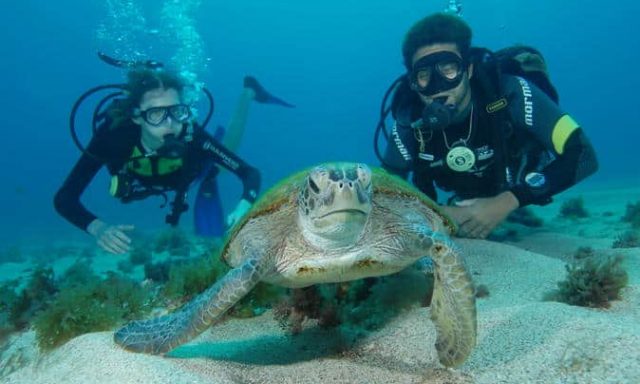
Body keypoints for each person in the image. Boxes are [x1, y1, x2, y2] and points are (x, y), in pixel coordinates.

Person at [379, 13, 598, 239]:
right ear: (413, 83)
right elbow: (387, 191)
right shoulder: (409, 121)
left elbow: (583, 155)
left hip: (516, 181)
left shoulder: (511, 93)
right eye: (424, 75)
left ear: (469, 70)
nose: (438, 87)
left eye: (449, 69)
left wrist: (505, 203)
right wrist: (436, 214)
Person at [55, 65, 291, 254]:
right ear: (137, 117)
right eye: (156, 114)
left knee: (223, 159)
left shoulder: (190, 133)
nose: (170, 124)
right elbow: (64, 198)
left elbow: (250, 174)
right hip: (142, 175)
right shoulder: (113, 137)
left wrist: (243, 206)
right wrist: (98, 229)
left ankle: (248, 93)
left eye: (176, 111)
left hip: (196, 171)